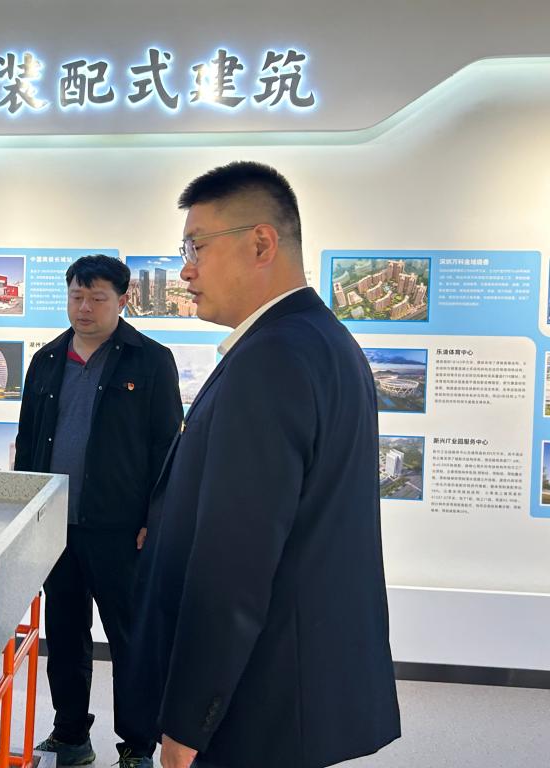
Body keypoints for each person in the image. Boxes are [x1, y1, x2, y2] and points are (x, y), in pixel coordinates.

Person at [128, 162, 400, 768]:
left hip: (254, 700)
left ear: (260, 244)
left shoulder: (270, 359)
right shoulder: (322, 341)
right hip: (292, 685)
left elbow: (236, 564)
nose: (185, 269)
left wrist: (188, 722)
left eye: (196, 246)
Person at [14, 254, 183, 768]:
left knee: (130, 640)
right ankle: (70, 736)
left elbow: (168, 447)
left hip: (121, 530)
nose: (84, 307)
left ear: (123, 300)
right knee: (65, 638)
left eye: (97, 297)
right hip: (56, 526)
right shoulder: (46, 360)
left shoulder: (150, 361)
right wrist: (24, 514)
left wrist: (156, 518)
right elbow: (28, 442)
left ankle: (137, 746)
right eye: (76, 296)